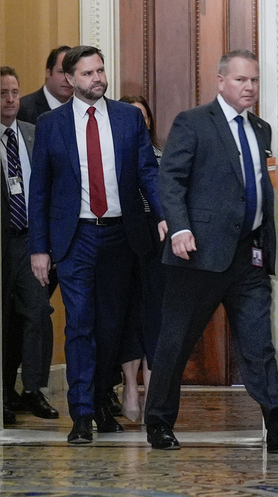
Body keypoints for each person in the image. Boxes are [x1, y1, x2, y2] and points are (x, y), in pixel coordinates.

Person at [144, 49, 278, 453]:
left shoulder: (261, 129)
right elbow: (169, 180)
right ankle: (158, 423)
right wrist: (180, 227)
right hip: (197, 254)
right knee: (175, 341)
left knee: (259, 342)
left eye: (255, 80)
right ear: (221, 81)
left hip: (249, 256)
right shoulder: (193, 123)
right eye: (242, 80)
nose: (250, 88)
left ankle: (277, 425)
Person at [28, 45, 166, 444]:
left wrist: (163, 217)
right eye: (88, 73)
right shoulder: (51, 124)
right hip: (76, 238)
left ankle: (102, 399)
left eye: (101, 71)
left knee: (112, 326)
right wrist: (40, 248)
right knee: (80, 324)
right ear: (70, 79)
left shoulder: (127, 120)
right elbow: (40, 191)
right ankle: (83, 415)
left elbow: (147, 174)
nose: (98, 79)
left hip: (123, 235)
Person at [0, 67, 57, 425]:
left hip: (31, 241)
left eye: (15, 92)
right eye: (3, 93)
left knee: (38, 314)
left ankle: (33, 389)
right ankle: (3, 394)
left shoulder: (33, 135)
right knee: (2, 321)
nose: (10, 100)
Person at [117, 94, 165, 423]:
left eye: (142, 116)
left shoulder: (162, 157)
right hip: (119, 237)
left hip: (156, 239)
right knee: (126, 310)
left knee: (154, 311)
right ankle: (129, 386)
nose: (137, 121)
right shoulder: (112, 157)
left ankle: (154, 387)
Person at [17, 45, 73, 124]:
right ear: (48, 72)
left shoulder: (81, 110)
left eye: (72, 73)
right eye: (61, 72)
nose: (67, 79)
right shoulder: (23, 109)